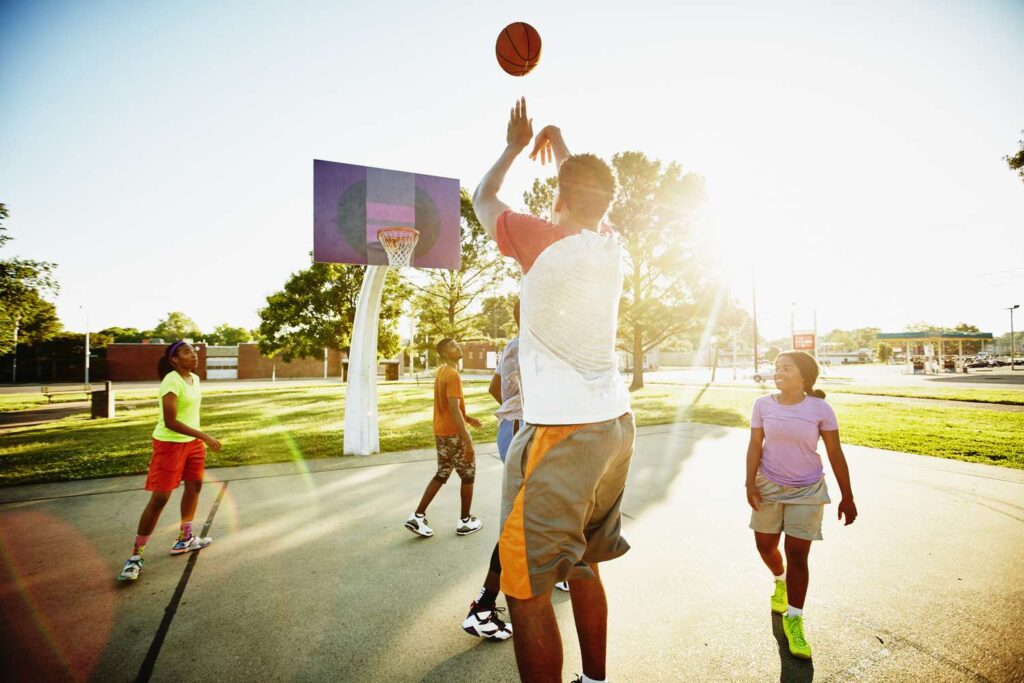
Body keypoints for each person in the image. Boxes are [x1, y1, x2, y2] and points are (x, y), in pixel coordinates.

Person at [472, 97, 634, 683]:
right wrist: (561, 143)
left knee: (524, 586)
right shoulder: (609, 244)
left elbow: (482, 198)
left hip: (561, 432)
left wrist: (516, 147)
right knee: (586, 565)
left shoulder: (539, 239)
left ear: (558, 200)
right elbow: (591, 194)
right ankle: (594, 680)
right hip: (615, 425)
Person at [745, 350, 858, 660]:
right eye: (777, 367)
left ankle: (794, 619)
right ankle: (779, 581)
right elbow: (755, 444)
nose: (778, 372)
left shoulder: (820, 409)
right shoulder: (763, 405)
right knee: (765, 546)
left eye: (786, 368)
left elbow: (835, 454)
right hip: (768, 485)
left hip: (808, 490)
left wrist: (847, 496)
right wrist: (749, 482)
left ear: (804, 376)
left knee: (798, 554)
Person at [117, 341, 221, 582]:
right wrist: (204, 436)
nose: (193, 355)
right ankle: (135, 557)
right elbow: (170, 421)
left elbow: (189, 415)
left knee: (194, 487)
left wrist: (198, 438)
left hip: (192, 444)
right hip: (169, 444)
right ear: (174, 359)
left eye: (194, 351)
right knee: (160, 498)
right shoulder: (171, 380)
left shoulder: (194, 379)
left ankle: (185, 538)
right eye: (187, 352)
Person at [405, 338, 484, 538]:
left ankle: (417, 516)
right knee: (468, 475)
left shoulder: (441, 371)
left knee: (442, 473)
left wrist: (467, 417)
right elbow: (453, 409)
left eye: (457, 345)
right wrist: (468, 441)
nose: (458, 348)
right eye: (453, 347)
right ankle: (465, 521)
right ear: (445, 353)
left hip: (440, 432)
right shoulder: (453, 374)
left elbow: (450, 407)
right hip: (453, 434)